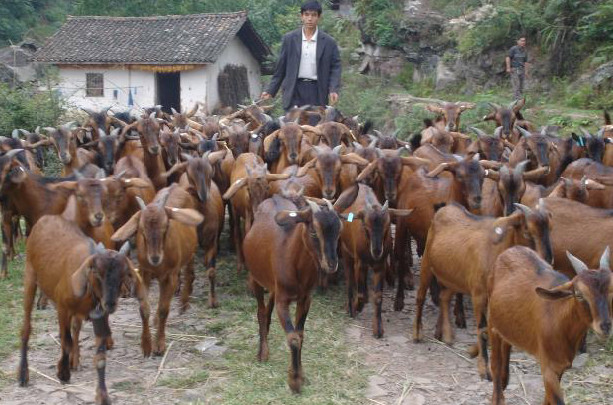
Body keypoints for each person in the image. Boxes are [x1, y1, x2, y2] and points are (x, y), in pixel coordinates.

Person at [260, 1, 341, 111]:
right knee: (292, 126)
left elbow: (335, 67)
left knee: (314, 126)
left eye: (313, 15)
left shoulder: (328, 42)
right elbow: (280, 68)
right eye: (307, 15)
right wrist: (270, 90)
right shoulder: (289, 39)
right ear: (301, 16)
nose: (310, 19)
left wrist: (333, 89)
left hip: (317, 91)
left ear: (319, 17)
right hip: (294, 90)